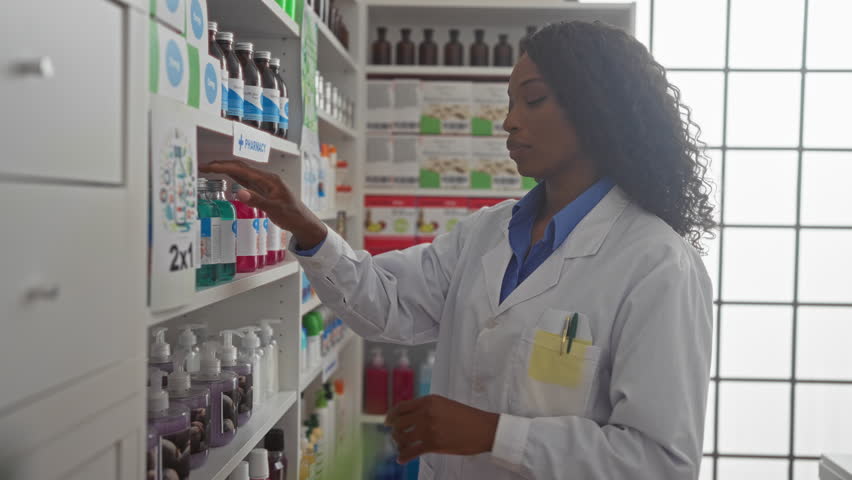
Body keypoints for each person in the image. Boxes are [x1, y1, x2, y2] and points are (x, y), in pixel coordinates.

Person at [203, 20, 716, 480]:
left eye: (533, 100)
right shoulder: (490, 231)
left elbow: (660, 463)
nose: (510, 122)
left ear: (597, 108)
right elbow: (387, 303)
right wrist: (305, 226)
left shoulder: (657, 264)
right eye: (510, 102)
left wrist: (495, 435)